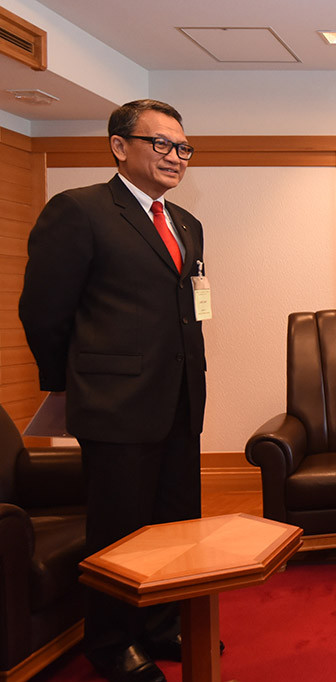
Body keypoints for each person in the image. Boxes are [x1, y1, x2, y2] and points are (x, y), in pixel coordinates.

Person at [19, 100, 208, 682]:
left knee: (176, 524)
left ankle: (160, 625)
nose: (176, 157)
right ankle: (111, 640)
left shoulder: (186, 223)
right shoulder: (78, 211)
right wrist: (69, 383)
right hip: (113, 404)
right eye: (162, 145)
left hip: (179, 399)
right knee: (120, 529)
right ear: (119, 146)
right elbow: (44, 312)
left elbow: (190, 309)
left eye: (183, 148)